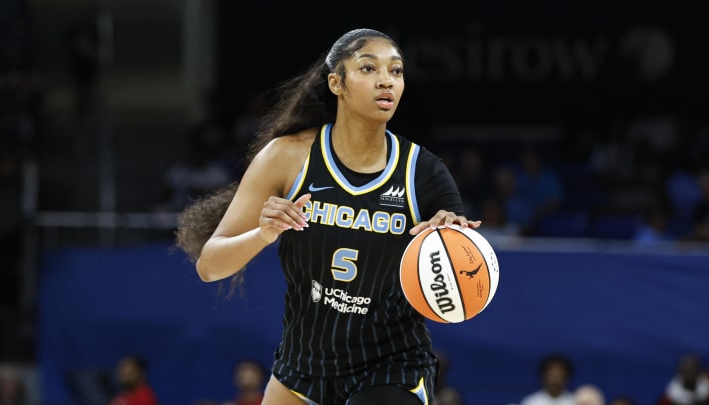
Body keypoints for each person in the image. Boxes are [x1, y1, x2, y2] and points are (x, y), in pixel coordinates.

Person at [175, 28, 480, 405]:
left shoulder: (425, 173)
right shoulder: (286, 157)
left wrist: (451, 239)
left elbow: (453, 287)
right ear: (336, 82)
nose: (386, 80)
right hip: (303, 365)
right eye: (368, 68)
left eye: (396, 71)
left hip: (390, 364)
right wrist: (263, 235)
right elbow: (210, 266)